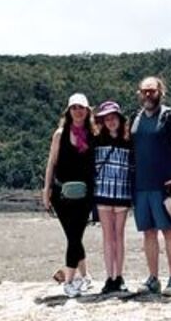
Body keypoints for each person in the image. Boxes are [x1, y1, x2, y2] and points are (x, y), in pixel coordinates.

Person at [131, 75, 171, 298]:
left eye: (152, 91)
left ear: (160, 92)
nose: (148, 95)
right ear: (139, 94)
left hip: (165, 186)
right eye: (144, 91)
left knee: (169, 231)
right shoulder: (135, 120)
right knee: (148, 233)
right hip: (141, 186)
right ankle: (153, 278)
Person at [42, 93, 96, 297]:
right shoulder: (60, 134)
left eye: (81, 107)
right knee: (73, 236)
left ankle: (70, 280)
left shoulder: (94, 135)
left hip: (85, 195)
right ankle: (85, 276)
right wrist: (46, 190)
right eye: (74, 107)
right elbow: (51, 164)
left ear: (87, 110)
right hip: (61, 193)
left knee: (75, 236)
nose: (78, 111)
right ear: (68, 111)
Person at [92, 100, 133, 294]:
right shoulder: (96, 140)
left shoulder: (129, 140)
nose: (110, 122)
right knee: (108, 237)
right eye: (106, 119)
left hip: (122, 193)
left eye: (113, 118)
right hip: (103, 193)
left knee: (119, 236)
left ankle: (119, 276)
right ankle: (110, 277)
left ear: (119, 119)